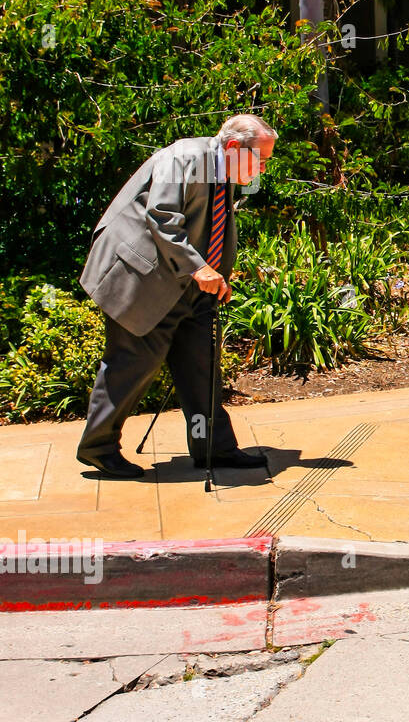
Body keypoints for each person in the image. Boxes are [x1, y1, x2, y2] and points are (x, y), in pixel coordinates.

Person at [76, 115, 277, 479]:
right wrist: (199, 268)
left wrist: (216, 275)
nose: (263, 167)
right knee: (130, 365)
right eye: (260, 159)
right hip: (143, 280)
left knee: (201, 368)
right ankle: (98, 448)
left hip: (191, 286)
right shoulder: (182, 157)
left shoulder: (225, 171)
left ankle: (211, 446)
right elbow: (162, 215)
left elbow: (211, 225)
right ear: (233, 148)